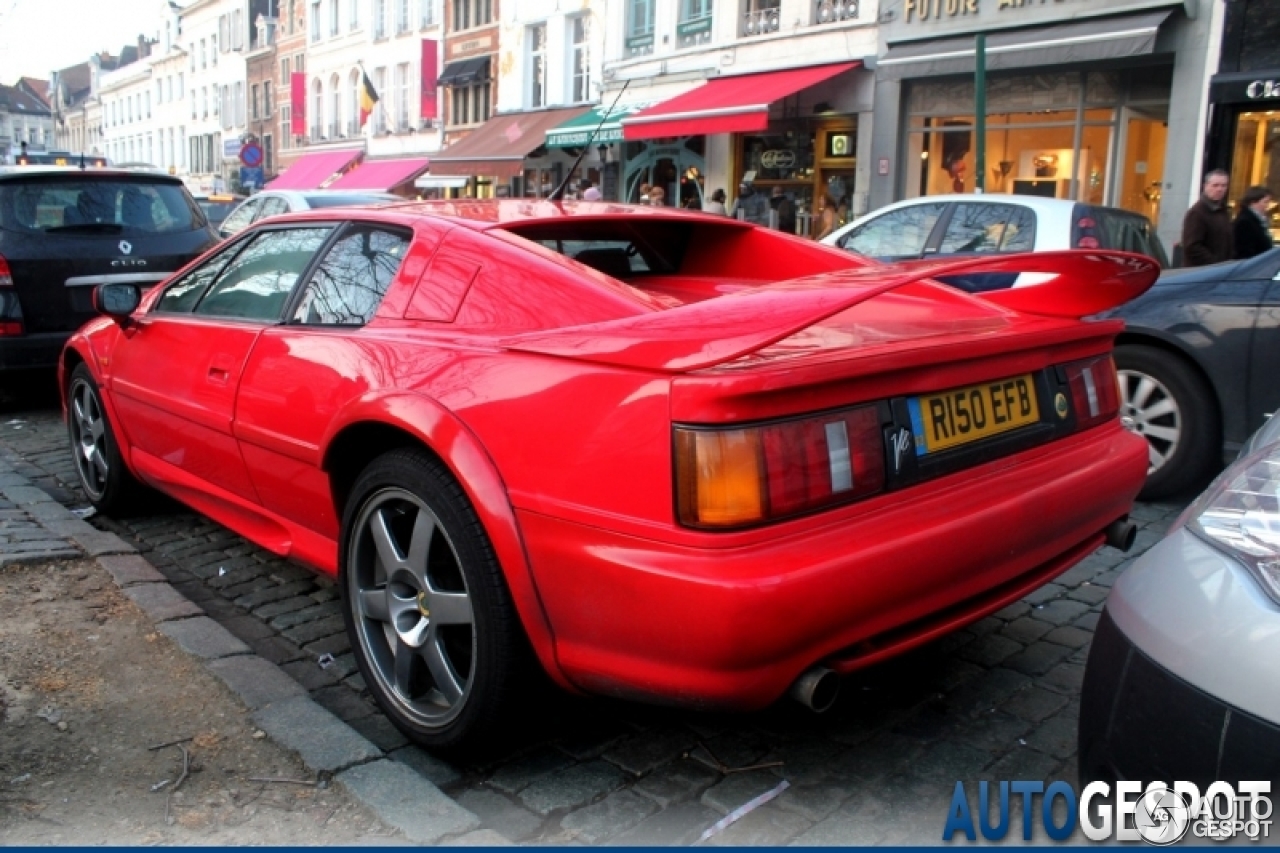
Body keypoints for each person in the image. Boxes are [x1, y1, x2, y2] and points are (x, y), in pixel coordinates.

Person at [1181, 169, 1232, 266]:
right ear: (1205, 186)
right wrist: (1216, 264)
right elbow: (1192, 247)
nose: (1220, 189)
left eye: (1223, 185)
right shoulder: (1197, 213)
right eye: (1215, 185)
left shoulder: (1223, 211)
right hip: (1202, 273)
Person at [1233, 184, 1274, 259]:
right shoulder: (1245, 222)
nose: (1267, 206)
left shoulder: (1258, 220)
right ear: (1253, 202)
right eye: (1265, 202)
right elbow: (1244, 251)